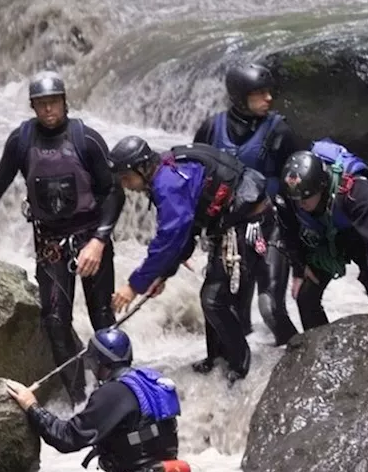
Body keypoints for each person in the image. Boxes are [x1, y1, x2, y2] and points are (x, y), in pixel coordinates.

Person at [0, 71, 124, 405]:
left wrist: (99, 240)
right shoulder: (22, 141)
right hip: (50, 243)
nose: (48, 109)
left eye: (53, 102)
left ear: (65, 102)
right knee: (55, 322)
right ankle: (80, 398)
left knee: (103, 321)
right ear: (33, 107)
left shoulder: (87, 139)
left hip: (90, 239)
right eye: (41, 104)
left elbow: (113, 192)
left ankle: (118, 392)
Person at [107, 136, 270, 386]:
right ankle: (215, 358)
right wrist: (162, 275)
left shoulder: (168, 183)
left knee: (215, 299)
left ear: (141, 167)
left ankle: (240, 363)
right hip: (227, 221)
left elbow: (170, 238)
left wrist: (134, 286)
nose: (126, 186)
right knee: (212, 297)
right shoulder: (167, 171)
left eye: (127, 178)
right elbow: (185, 234)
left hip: (249, 221)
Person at [3, 328, 192, 472]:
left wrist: (31, 405)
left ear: (99, 362)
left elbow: (66, 438)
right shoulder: (152, 380)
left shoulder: (113, 393)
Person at [194, 63, 310, 345]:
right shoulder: (212, 129)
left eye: (269, 92)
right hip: (230, 230)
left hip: (271, 226)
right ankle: (235, 370)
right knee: (226, 309)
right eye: (259, 93)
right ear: (239, 96)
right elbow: (197, 180)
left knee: (269, 306)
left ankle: (298, 358)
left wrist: (300, 258)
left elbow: (298, 189)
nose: (268, 98)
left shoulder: (280, 131)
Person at [278, 142, 368, 329]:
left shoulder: (359, 192)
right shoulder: (291, 194)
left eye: (306, 198)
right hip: (323, 236)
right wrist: (299, 267)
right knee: (306, 297)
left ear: (322, 186)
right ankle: (317, 349)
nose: (300, 204)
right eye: (296, 199)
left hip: (359, 235)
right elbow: (289, 232)